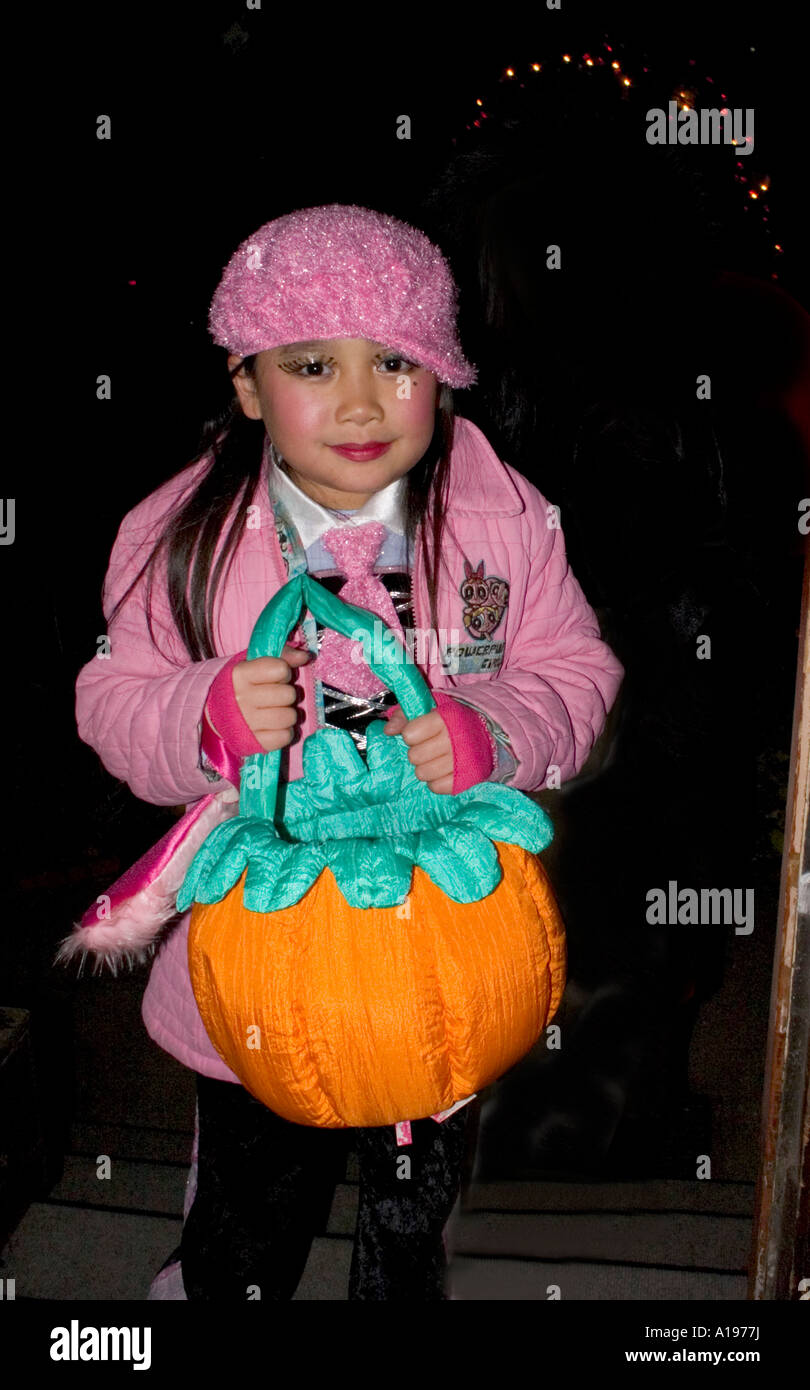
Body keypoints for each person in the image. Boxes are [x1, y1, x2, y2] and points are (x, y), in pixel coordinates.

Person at [70, 203, 624, 1300]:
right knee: (245, 1204)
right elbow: (111, 694)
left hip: (443, 953)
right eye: (314, 363)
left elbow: (577, 669)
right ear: (244, 382)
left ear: (446, 377)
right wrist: (199, 715)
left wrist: (499, 728)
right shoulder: (174, 536)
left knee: (414, 1220)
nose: (364, 401)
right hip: (258, 951)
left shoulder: (506, 518)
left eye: (400, 361)